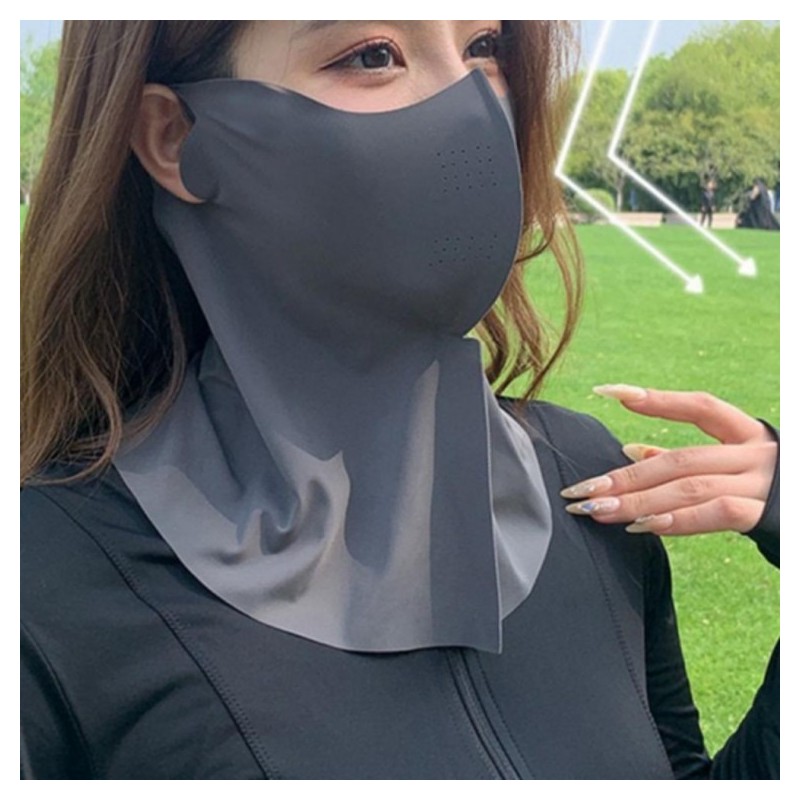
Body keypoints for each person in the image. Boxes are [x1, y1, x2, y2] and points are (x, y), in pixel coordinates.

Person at [20, 21, 778, 780]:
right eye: (373, 55)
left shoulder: (586, 482)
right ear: (175, 137)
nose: (471, 106)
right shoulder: (44, 583)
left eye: (484, 47)